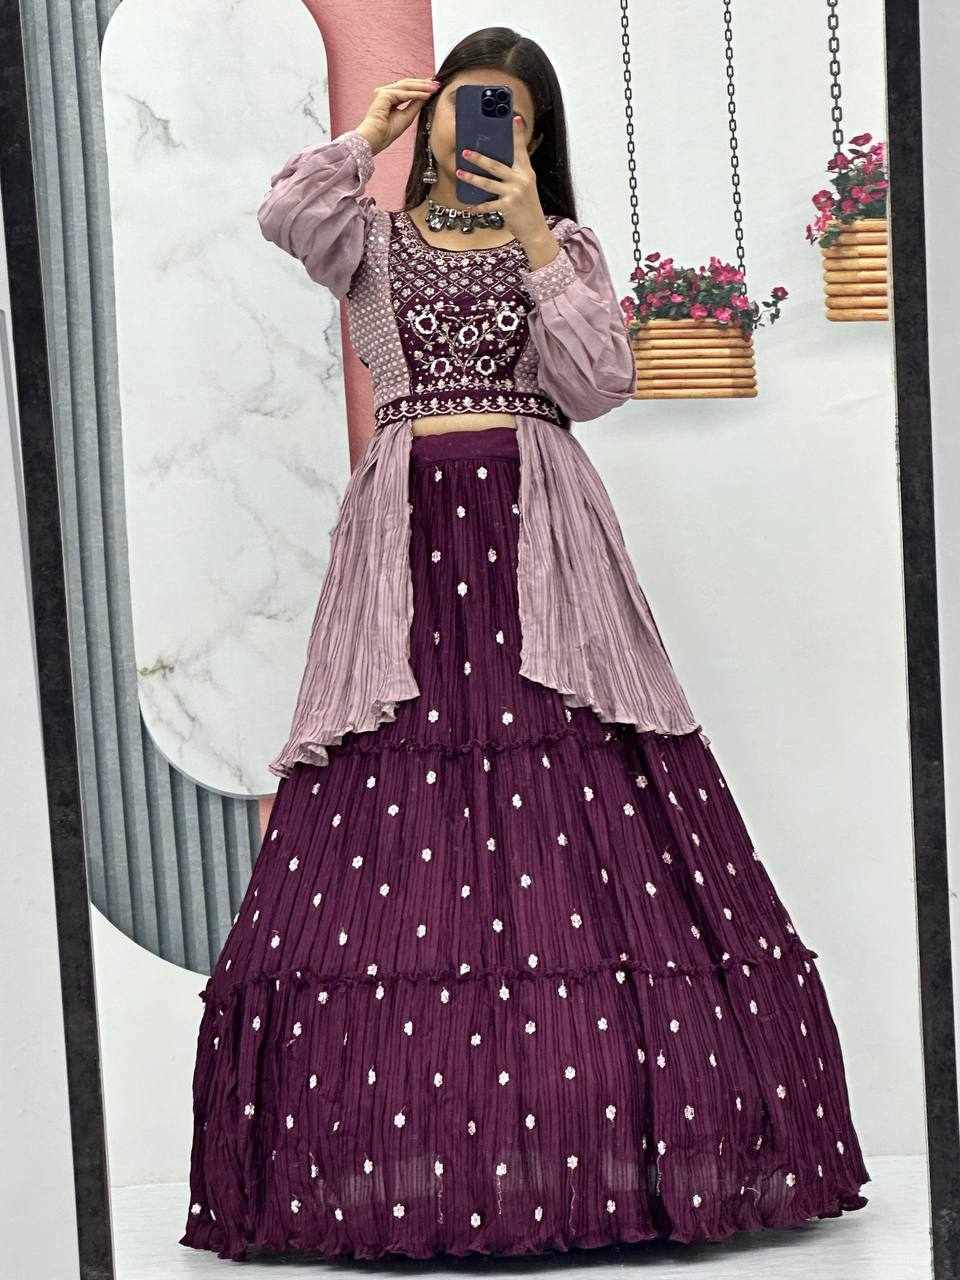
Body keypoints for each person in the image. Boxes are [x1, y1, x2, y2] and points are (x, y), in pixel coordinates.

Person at [179, 27, 869, 1263]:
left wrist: (537, 242)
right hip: (406, 547)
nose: (478, 127)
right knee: (393, 790)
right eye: (463, 103)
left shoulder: (565, 250)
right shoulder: (368, 238)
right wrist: (366, 135)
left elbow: (599, 382)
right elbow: (285, 214)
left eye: (507, 110)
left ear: (537, 134)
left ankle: (619, 1155)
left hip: (541, 542)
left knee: (586, 791)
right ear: (434, 114)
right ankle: (408, 1155)